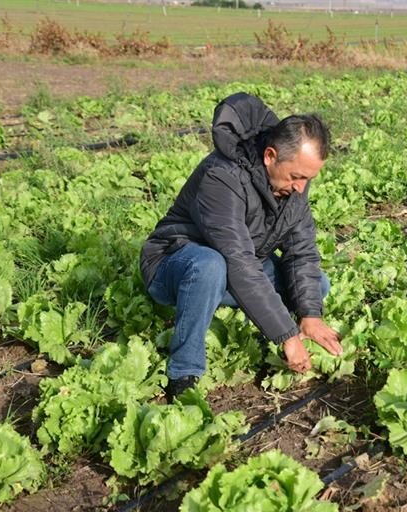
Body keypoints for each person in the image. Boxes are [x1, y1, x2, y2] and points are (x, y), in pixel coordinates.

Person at [139, 92, 343, 400]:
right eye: (297, 177)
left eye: (308, 179)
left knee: (316, 285)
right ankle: (184, 371)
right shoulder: (222, 177)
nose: (301, 188)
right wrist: (286, 333)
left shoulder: (292, 185)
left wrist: (310, 314)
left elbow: (301, 252)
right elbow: (237, 260)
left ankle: (256, 318)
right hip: (175, 263)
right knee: (211, 266)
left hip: (235, 265)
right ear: (270, 156)